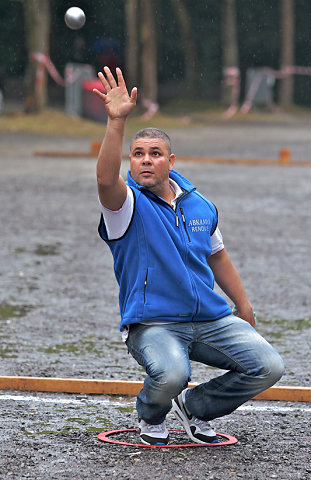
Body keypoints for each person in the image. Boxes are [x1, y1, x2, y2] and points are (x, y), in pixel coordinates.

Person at [93, 67, 284, 446]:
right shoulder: (124, 205)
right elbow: (104, 180)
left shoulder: (200, 205)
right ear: (130, 161)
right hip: (154, 324)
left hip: (210, 319)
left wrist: (243, 306)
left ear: (171, 160)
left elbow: (218, 256)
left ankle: (196, 406)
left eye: (155, 154)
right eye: (138, 154)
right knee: (171, 373)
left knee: (268, 366)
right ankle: (151, 417)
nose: (145, 160)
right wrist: (117, 122)